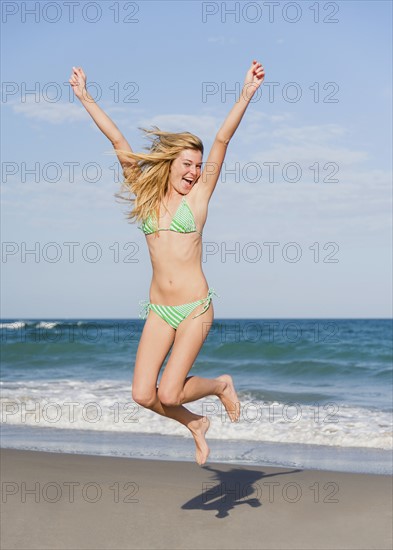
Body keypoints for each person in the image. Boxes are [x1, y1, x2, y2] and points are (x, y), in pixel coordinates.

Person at [69, 60, 265, 465]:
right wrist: (86, 98)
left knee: (170, 392)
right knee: (143, 394)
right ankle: (194, 423)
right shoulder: (144, 192)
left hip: (195, 307)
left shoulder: (199, 198)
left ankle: (219, 385)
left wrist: (245, 94)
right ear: (170, 163)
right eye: (187, 164)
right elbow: (118, 140)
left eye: (197, 165)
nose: (194, 171)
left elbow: (223, 138)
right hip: (159, 309)